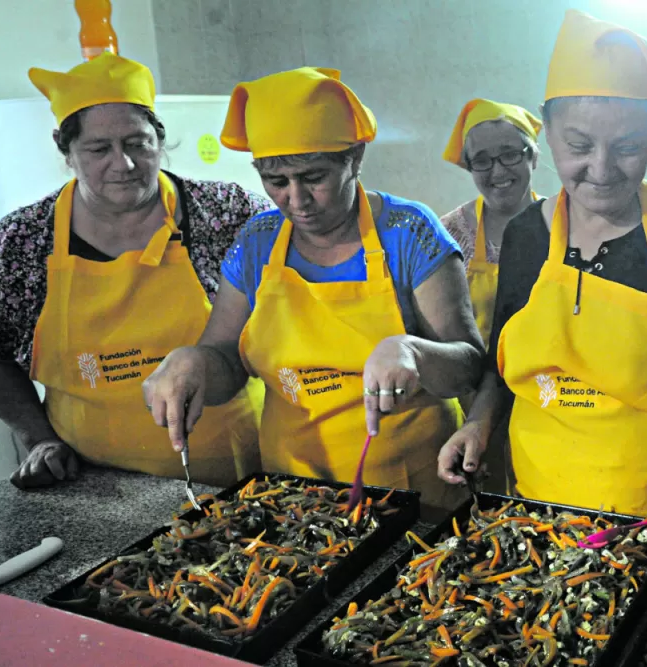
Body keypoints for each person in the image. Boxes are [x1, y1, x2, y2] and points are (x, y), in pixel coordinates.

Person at [437, 9, 647, 538]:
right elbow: (502, 366)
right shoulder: (528, 234)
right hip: (540, 517)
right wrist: (479, 423)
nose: (600, 170)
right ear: (546, 132)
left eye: (628, 148)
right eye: (578, 147)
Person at [143, 68, 482, 503]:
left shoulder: (409, 233)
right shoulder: (257, 243)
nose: (296, 200)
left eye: (313, 177)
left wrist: (414, 352)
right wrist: (193, 363)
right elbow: (226, 365)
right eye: (276, 181)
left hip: (410, 487)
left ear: (355, 158)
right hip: (292, 488)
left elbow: (469, 365)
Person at [0, 54, 267, 489]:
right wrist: (39, 439)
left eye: (138, 143)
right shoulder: (21, 242)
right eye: (99, 149)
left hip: (238, 474)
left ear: (159, 140)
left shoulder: (228, 213)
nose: (125, 164)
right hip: (98, 490)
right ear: (66, 151)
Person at [440, 99, 545, 344]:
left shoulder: (563, 224)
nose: (498, 172)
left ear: (533, 157)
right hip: (472, 375)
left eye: (509, 155)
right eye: (482, 160)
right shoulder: (448, 235)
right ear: (470, 167)